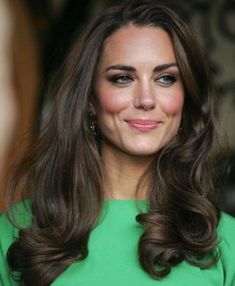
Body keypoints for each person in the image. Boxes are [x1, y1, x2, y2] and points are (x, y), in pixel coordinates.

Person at [0, 0, 235, 285]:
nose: (146, 99)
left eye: (165, 78)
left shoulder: (224, 238)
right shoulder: (18, 229)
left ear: (185, 99)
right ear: (89, 99)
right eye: (123, 78)